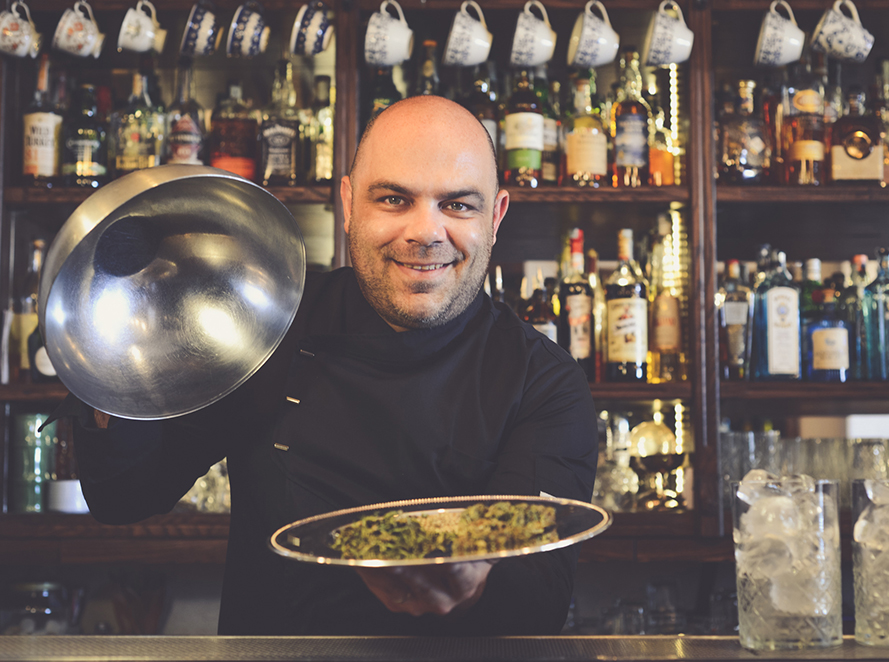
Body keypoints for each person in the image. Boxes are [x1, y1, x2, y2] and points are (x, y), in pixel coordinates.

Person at [62, 96, 599, 636]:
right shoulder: (266, 328)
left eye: (458, 205)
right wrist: (119, 349)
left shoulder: (545, 384)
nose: (425, 232)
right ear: (347, 203)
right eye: (393, 198)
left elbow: (539, 601)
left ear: (496, 216)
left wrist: (476, 583)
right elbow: (124, 496)